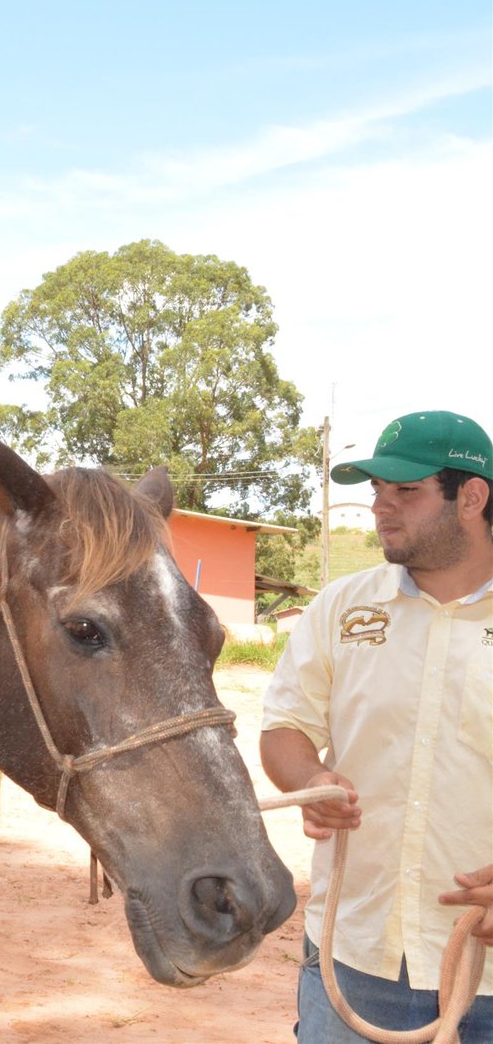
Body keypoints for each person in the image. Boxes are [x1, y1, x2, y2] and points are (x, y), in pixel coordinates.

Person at [260, 409, 493, 1042]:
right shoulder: (342, 606)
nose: (380, 509)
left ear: (472, 497)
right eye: (377, 492)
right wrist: (310, 776)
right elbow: (284, 726)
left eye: (407, 492)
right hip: (352, 953)